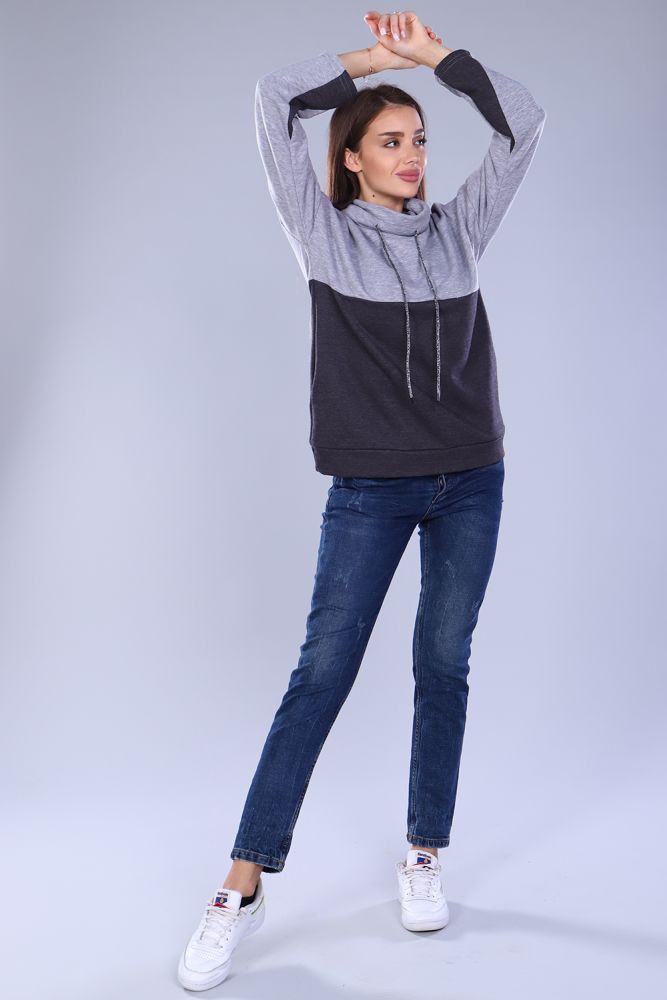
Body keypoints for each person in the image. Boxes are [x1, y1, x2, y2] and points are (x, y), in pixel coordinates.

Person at [178, 9, 546, 991]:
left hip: (471, 481)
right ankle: (242, 885)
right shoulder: (325, 235)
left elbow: (524, 121)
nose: (412, 154)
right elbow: (273, 98)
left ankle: (424, 852)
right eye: (389, 141)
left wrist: (439, 61)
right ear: (348, 159)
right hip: (370, 492)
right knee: (322, 674)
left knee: (442, 664)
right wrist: (372, 62)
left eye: (418, 138)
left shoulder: (459, 230)